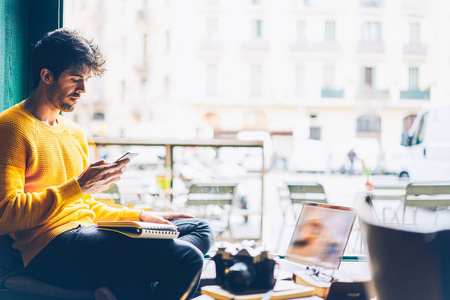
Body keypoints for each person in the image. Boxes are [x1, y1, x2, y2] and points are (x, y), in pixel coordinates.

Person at [0, 28, 214, 300]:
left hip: (86, 233)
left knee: (199, 229)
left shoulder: (74, 132)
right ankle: (132, 286)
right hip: (50, 249)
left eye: (86, 80)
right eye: (75, 79)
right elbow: (5, 215)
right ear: (46, 76)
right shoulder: (11, 128)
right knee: (188, 257)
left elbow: (83, 204)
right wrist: (78, 186)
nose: (83, 89)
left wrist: (139, 217)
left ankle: (127, 288)